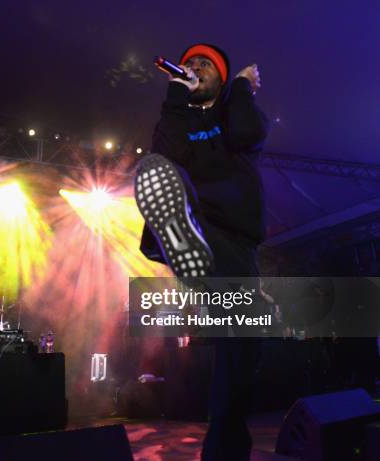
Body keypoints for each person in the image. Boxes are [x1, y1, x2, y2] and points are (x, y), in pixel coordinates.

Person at [135, 43, 269, 461]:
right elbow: (162, 158)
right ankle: (182, 238)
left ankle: (224, 454)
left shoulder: (234, 113)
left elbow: (250, 134)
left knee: (242, 353)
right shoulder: (181, 116)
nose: (193, 67)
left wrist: (243, 89)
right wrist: (176, 92)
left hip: (235, 241)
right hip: (198, 220)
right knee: (163, 170)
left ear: (222, 78)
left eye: (204, 64)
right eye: (189, 62)